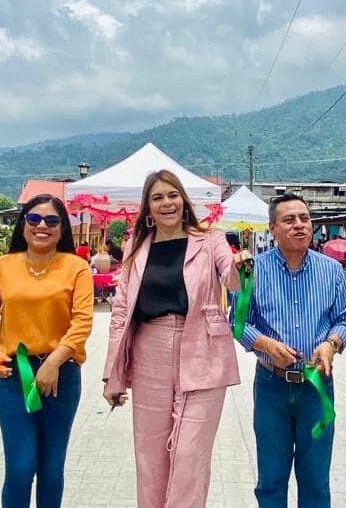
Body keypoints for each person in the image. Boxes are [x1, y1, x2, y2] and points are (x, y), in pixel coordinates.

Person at [102, 169, 249, 508]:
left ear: (184, 201)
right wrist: (113, 373)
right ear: (148, 209)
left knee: (189, 455)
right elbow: (121, 310)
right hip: (148, 351)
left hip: (203, 350)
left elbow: (233, 280)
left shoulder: (211, 240)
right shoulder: (135, 247)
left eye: (172, 195)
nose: (166, 203)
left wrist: (242, 267)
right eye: (157, 198)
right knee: (150, 456)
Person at [0, 194, 93, 508]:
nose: (42, 226)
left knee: (51, 468)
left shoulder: (76, 268)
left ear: (62, 227)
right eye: (34, 219)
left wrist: (53, 362)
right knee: (20, 467)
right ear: (23, 224)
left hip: (61, 377)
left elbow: (82, 322)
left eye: (52, 220)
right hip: (14, 375)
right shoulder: (2, 266)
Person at [237, 194, 346, 507]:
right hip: (271, 386)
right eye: (289, 220)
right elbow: (237, 323)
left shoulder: (331, 271)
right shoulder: (253, 271)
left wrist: (330, 345)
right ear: (272, 228)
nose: (300, 225)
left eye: (304, 218)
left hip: (316, 387)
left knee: (316, 482)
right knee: (271, 481)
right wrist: (264, 344)